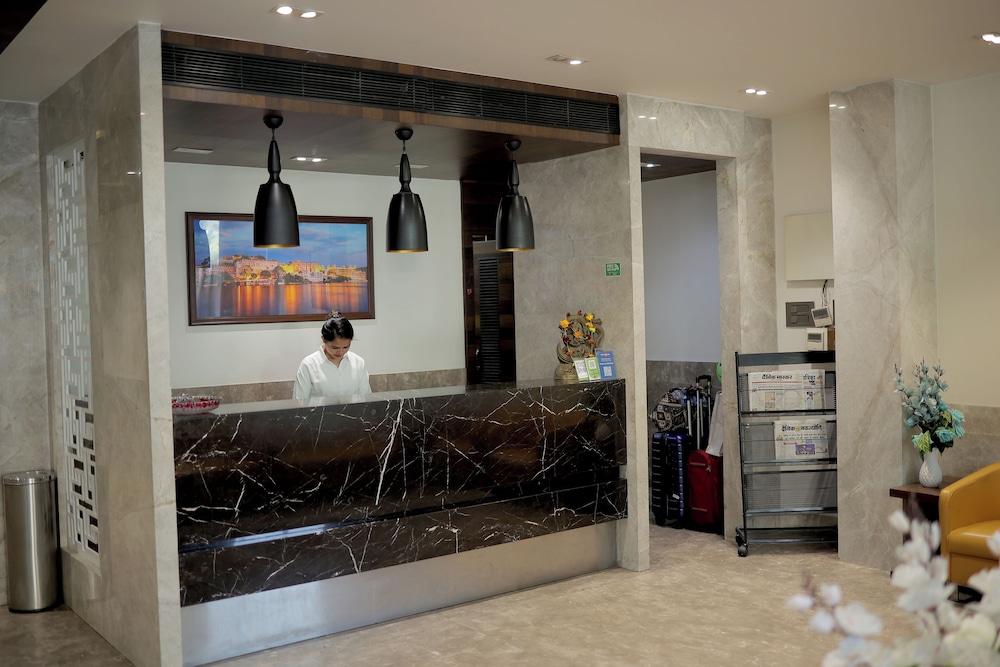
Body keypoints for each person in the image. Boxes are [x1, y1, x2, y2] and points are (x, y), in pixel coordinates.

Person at [293, 312, 371, 400]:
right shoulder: (308, 365)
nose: (340, 352)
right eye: (335, 347)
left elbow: (366, 400)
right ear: (323, 339)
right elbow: (299, 403)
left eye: (345, 347)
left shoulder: (358, 363)